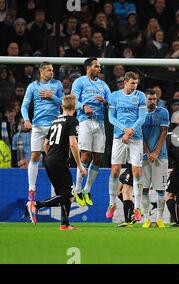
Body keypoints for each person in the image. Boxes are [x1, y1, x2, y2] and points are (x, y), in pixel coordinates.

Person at [26, 95, 86, 230]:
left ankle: (64, 224)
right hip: (58, 161)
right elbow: (73, 144)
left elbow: (45, 144)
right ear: (74, 107)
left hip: (49, 159)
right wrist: (79, 165)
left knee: (63, 194)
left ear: (62, 106)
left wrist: (51, 157)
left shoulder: (55, 121)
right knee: (69, 197)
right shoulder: (73, 121)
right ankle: (35, 205)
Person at [21, 62, 64, 202]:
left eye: (52, 70)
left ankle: (59, 185)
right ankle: (31, 188)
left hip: (54, 126)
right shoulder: (33, 86)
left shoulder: (57, 84)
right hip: (38, 126)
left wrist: (51, 96)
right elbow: (24, 106)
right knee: (34, 156)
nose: (52, 72)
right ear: (41, 71)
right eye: (49, 70)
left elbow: (64, 104)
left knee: (54, 158)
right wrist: (27, 119)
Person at [107, 71, 146, 222]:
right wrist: (124, 130)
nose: (135, 86)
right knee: (115, 170)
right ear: (125, 82)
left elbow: (141, 118)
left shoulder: (140, 96)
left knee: (137, 173)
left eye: (136, 83)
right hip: (119, 137)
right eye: (132, 83)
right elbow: (111, 117)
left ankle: (137, 207)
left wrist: (129, 132)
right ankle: (111, 204)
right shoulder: (114, 96)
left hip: (135, 138)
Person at [72, 57, 111, 207]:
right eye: (96, 66)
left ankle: (87, 190)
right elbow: (73, 99)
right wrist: (83, 107)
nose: (99, 69)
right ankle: (77, 188)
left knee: (98, 157)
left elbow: (111, 103)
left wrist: (105, 102)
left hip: (99, 122)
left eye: (100, 67)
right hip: (84, 122)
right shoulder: (79, 82)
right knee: (85, 155)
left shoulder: (103, 85)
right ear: (88, 67)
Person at [141, 90, 169, 228]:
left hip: (161, 156)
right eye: (150, 99)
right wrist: (148, 152)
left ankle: (159, 219)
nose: (152, 102)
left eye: (154, 99)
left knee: (161, 189)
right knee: (144, 189)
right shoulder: (139, 113)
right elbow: (139, 135)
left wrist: (156, 152)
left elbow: (164, 132)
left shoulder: (163, 112)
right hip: (143, 157)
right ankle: (146, 219)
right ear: (145, 100)